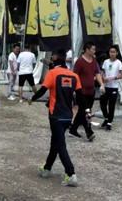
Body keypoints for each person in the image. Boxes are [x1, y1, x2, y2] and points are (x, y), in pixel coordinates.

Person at [29, 49, 83, 187]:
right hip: (68, 116)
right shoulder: (74, 75)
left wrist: (32, 98)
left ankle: (70, 173)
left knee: (60, 144)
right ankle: (47, 168)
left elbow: (42, 90)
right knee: (55, 141)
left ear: (56, 58)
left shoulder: (52, 73)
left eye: (52, 57)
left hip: (56, 115)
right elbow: (80, 97)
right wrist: (86, 111)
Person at [70, 42, 105, 141]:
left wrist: (102, 84)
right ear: (87, 50)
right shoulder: (80, 61)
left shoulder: (94, 61)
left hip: (91, 91)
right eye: (93, 49)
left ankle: (73, 129)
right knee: (86, 111)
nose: (94, 51)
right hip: (81, 91)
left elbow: (97, 73)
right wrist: (73, 89)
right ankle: (88, 132)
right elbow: (74, 75)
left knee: (82, 111)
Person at [99, 45, 122, 131]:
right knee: (102, 104)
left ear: (117, 53)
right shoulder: (106, 62)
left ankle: (109, 122)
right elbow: (103, 72)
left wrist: (114, 78)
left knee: (111, 105)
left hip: (114, 87)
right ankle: (106, 118)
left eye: (114, 52)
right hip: (106, 86)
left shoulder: (118, 63)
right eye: (111, 52)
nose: (112, 54)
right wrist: (104, 77)